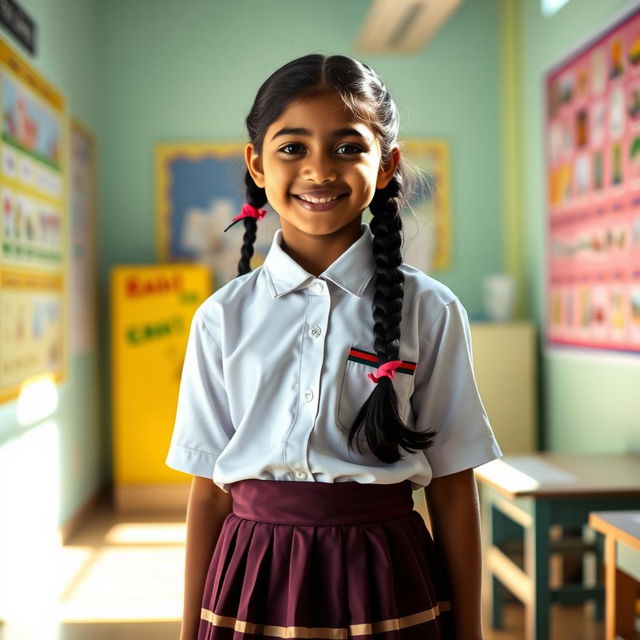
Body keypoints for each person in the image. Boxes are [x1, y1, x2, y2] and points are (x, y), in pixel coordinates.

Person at [166, 53, 502, 640]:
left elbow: (452, 489)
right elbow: (209, 493)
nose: (319, 171)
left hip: (387, 574)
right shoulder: (221, 318)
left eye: (348, 148)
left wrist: (469, 632)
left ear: (386, 164)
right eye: (292, 148)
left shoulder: (431, 309)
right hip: (251, 575)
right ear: (257, 164)